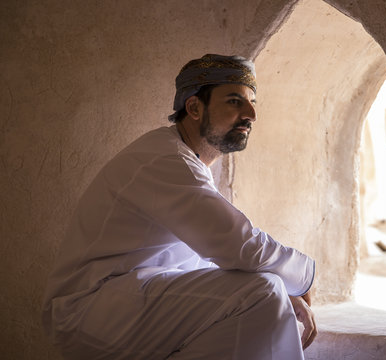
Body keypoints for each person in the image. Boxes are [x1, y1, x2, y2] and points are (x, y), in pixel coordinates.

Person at [42, 54, 317, 360]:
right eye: (234, 101)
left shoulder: (187, 160)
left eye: (252, 102)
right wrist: (304, 276)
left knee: (265, 292)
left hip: (130, 301)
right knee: (261, 292)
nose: (251, 113)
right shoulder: (165, 158)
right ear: (195, 108)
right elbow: (238, 245)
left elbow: (208, 259)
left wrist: (282, 288)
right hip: (92, 308)